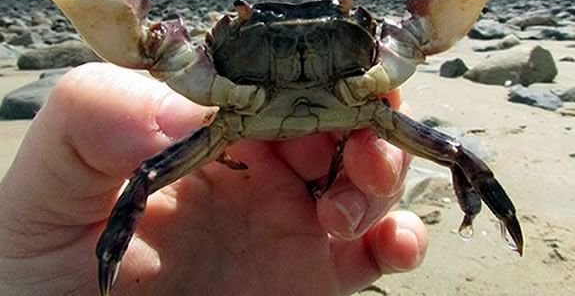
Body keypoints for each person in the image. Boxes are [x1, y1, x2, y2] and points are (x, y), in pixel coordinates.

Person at [0, 63, 427, 295]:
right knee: (145, 179)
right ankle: (107, 271)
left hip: (248, 130)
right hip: (240, 126)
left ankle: (493, 211)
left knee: (455, 157)